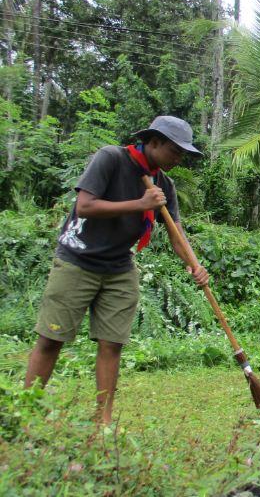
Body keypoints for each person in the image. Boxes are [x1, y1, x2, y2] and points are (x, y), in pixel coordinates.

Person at [24, 116, 209, 424]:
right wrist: (139, 204)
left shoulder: (163, 183)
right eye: (175, 151)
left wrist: (195, 265)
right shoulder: (111, 158)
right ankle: (26, 411)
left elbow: (176, 230)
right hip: (77, 259)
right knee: (51, 339)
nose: (178, 158)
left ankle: (103, 420)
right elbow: (85, 206)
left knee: (112, 343)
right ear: (153, 142)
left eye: (182, 153)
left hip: (119, 266)